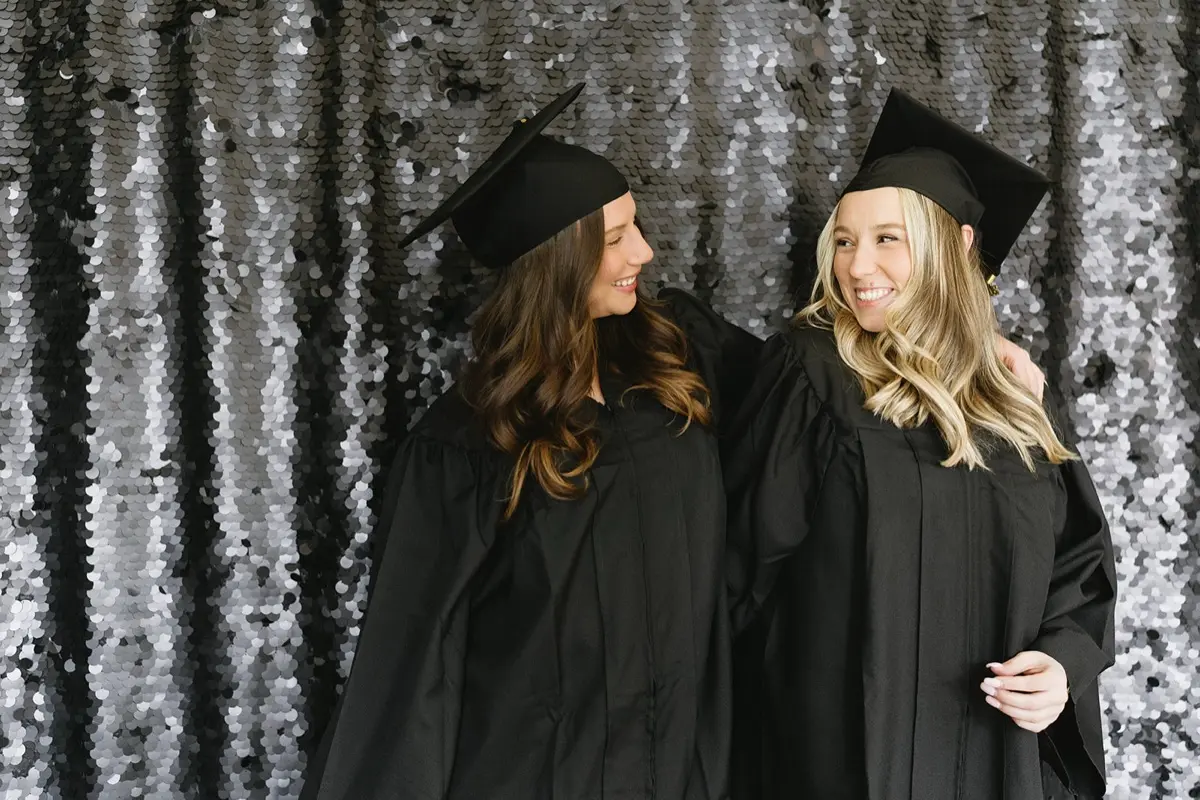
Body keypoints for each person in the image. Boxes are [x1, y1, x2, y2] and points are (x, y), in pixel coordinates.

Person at [299, 83, 760, 800]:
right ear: (556, 262)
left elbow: (815, 416)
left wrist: (977, 362)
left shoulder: (682, 354)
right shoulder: (464, 446)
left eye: (635, 225)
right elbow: (414, 665)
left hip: (683, 766)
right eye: (613, 239)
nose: (643, 250)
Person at [723, 89, 1116, 800]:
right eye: (844, 241)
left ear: (957, 245)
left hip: (998, 760)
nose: (857, 267)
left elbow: (1079, 562)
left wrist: (1060, 667)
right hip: (842, 760)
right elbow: (741, 571)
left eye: (886, 239)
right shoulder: (813, 374)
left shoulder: (1012, 391)